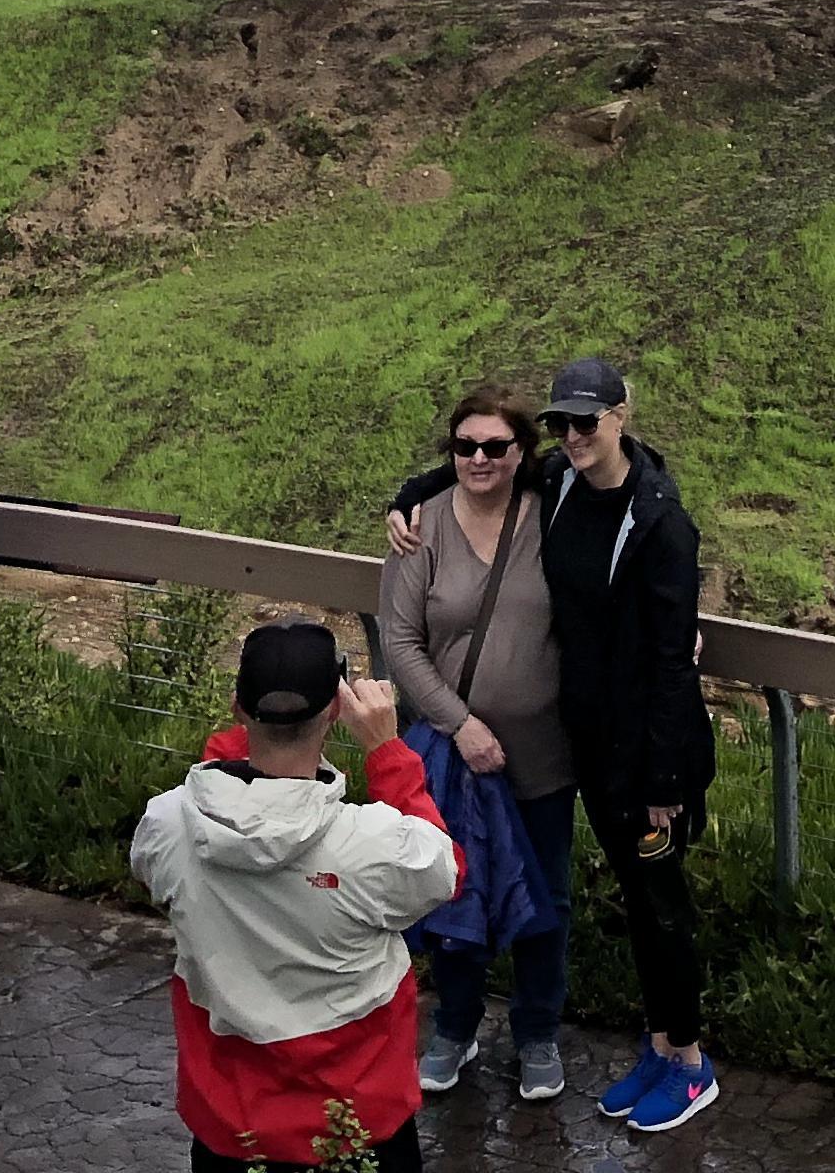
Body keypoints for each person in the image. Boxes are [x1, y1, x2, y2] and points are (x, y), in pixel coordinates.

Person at [389, 354, 717, 1132]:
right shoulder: (560, 484)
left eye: (588, 421)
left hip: (633, 752)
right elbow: (473, 472)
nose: (573, 435)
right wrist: (408, 494)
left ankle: (688, 1062)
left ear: (621, 417)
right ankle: (659, 1043)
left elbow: (672, 655)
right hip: (584, 741)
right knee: (617, 902)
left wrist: (667, 776)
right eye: (563, 422)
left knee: (650, 902)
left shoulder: (658, 519)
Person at [130, 621, 463, 1173]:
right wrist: (386, 750)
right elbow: (445, 869)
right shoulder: (369, 847)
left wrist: (250, 737)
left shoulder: (168, 825)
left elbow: (172, 849)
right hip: (357, 1128)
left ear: (237, 708)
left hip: (231, 1132)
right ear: (337, 710)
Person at [372, 384, 571, 1102]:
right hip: (456, 757)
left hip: (545, 752)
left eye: (496, 446)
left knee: (545, 896)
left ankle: (538, 1031)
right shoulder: (420, 525)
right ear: (449, 451)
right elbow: (400, 640)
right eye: (465, 446)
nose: (479, 458)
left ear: (523, 453)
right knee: (453, 892)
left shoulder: (553, 514)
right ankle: (455, 1028)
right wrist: (461, 724)